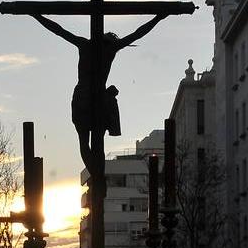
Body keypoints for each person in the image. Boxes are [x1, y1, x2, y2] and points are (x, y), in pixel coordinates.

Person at [28, 12, 168, 174]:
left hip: (83, 96)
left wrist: (36, 16)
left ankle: (95, 176)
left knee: (84, 142)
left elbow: (58, 30)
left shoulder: (84, 44)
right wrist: (157, 18)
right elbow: (137, 33)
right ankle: (97, 176)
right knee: (97, 142)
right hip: (98, 98)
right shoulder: (110, 49)